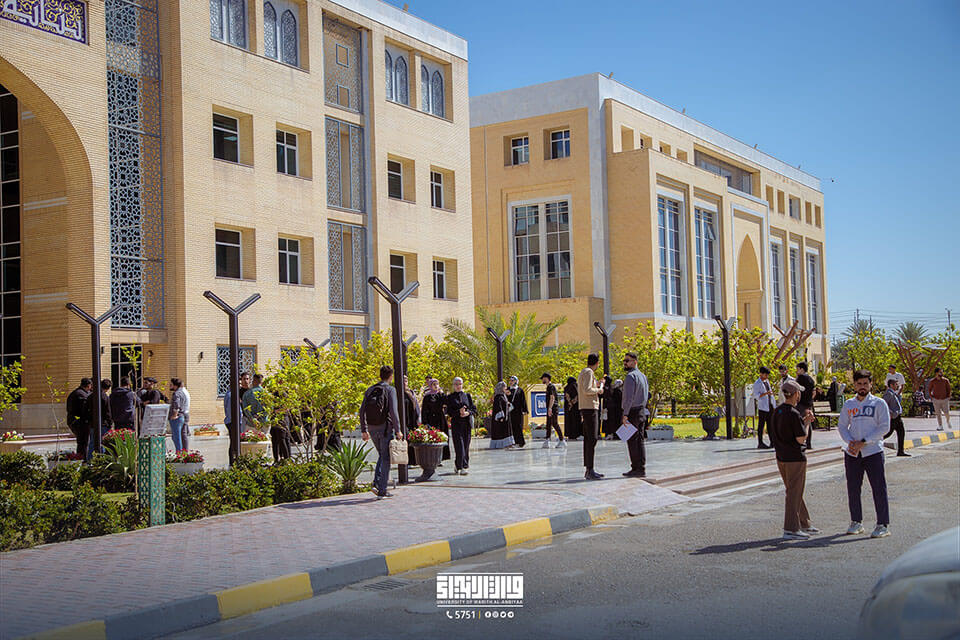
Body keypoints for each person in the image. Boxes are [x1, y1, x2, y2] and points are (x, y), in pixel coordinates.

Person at [839, 370, 891, 539]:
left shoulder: (879, 403)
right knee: (853, 488)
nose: (862, 387)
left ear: (871, 384)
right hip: (853, 453)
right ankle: (856, 522)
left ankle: (882, 524)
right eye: (859, 384)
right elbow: (842, 426)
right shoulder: (849, 404)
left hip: (873, 452)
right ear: (854, 385)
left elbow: (884, 427)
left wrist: (864, 441)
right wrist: (851, 442)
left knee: (878, 488)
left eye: (865, 384)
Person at [770, 379, 819, 540]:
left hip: (781, 456)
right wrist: (807, 424)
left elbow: (787, 431)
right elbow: (801, 438)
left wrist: (803, 421)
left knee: (794, 491)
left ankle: (804, 523)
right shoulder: (793, 413)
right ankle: (791, 528)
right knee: (794, 492)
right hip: (795, 457)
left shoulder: (778, 411)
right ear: (796, 394)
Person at [359, 365, 402, 498]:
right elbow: (393, 411)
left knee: (382, 455)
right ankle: (382, 490)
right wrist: (398, 430)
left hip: (372, 427)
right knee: (385, 458)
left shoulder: (370, 389)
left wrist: (364, 429)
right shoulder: (390, 390)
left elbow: (361, 410)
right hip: (385, 428)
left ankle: (376, 484)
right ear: (391, 376)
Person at [620, 352, 649, 477]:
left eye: (628, 361)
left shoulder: (630, 377)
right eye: (624, 361)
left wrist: (625, 414)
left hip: (633, 411)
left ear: (635, 362)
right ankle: (640, 467)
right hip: (641, 410)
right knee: (640, 440)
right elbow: (647, 395)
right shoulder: (642, 376)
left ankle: (636, 468)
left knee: (632, 441)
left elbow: (628, 398)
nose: (625, 363)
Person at [578, 353, 605, 480]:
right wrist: (599, 390)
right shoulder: (589, 372)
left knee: (589, 439)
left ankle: (589, 468)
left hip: (586, 407)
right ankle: (590, 469)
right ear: (597, 363)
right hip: (590, 408)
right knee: (592, 438)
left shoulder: (584, 372)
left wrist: (597, 384)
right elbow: (587, 390)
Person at [445, 377, 476, 475]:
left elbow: (473, 409)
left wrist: (467, 413)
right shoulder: (450, 397)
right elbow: (449, 412)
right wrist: (459, 412)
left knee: (466, 446)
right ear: (453, 385)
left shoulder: (467, 396)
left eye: (460, 384)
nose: (458, 386)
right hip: (456, 424)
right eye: (456, 384)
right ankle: (462, 466)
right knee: (459, 446)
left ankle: (460, 464)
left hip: (466, 424)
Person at [421, 378, 449, 462]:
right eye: (434, 384)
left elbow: (447, 402)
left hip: (440, 418)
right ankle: (434, 457)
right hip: (431, 419)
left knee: (442, 436)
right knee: (434, 437)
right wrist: (425, 422)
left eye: (437, 384)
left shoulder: (440, 395)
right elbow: (424, 410)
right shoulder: (427, 396)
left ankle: (442, 457)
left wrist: (442, 393)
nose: (436, 386)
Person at [65, 378, 93, 459]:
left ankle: (81, 457)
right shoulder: (82, 395)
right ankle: (82, 458)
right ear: (88, 385)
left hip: (73, 420)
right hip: (80, 422)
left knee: (81, 441)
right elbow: (84, 410)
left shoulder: (75, 393)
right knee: (83, 442)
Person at [882, 379, 909, 457]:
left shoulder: (893, 393)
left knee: (901, 433)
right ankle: (873, 443)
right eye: (896, 384)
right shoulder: (888, 394)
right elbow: (884, 404)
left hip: (897, 417)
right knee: (887, 433)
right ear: (891, 385)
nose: (898, 386)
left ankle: (901, 451)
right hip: (893, 418)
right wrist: (890, 413)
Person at [87, 378, 113, 457]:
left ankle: (90, 459)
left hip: (92, 423)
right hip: (103, 423)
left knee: (92, 442)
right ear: (108, 388)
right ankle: (101, 459)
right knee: (102, 442)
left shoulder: (91, 396)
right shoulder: (105, 397)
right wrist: (110, 423)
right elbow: (107, 411)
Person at [752, 366, 776, 449]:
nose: (767, 376)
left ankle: (772, 442)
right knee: (761, 425)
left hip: (769, 405)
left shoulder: (767, 381)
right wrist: (765, 393)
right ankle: (760, 442)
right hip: (763, 407)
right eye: (765, 375)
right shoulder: (757, 383)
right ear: (761, 374)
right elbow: (756, 396)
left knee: (770, 425)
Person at [795, 362, 816, 449]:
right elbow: (813, 392)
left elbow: (797, 390)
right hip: (809, 403)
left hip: (801, 403)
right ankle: (808, 443)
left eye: (798, 369)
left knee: (800, 422)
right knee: (808, 422)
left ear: (802, 369)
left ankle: (801, 442)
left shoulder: (801, 378)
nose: (797, 371)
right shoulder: (810, 379)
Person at [541, 373, 564, 449]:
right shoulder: (548, 387)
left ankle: (562, 440)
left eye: (543, 378)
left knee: (554, 423)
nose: (542, 380)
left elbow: (552, 398)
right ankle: (547, 440)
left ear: (547, 378)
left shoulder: (551, 387)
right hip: (551, 408)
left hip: (553, 408)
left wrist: (550, 408)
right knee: (548, 424)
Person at [490, 381, 515, 449]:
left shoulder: (503, 396)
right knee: (501, 431)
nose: (505, 388)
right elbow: (498, 407)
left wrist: (508, 405)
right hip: (501, 418)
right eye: (504, 387)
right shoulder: (498, 397)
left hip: (505, 417)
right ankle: (501, 445)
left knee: (506, 430)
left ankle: (508, 444)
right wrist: (500, 416)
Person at [168, 378, 190, 453]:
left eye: (171, 385)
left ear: (175, 385)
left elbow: (176, 404)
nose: (170, 386)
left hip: (178, 417)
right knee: (183, 435)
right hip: (183, 415)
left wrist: (174, 414)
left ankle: (179, 453)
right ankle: (184, 452)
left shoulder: (176, 393)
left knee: (176, 437)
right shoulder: (183, 392)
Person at [403, 375, 421, 464]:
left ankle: (414, 460)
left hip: (413, 420)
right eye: (403, 381)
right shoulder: (398, 393)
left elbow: (416, 405)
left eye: (406, 381)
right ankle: (408, 461)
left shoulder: (410, 392)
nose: (404, 383)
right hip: (404, 421)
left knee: (413, 439)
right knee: (406, 439)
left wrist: (418, 417)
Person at [506, 376, 528, 448]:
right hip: (510, 411)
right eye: (510, 380)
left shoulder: (519, 390)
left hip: (518, 411)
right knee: (511, 427)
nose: (511, 382)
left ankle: (520, 442)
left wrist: (525, 410)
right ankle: (513, 442)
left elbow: (523, 400)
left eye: (512, 380)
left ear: (516, 381)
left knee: (518, 426)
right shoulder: (508, 389)